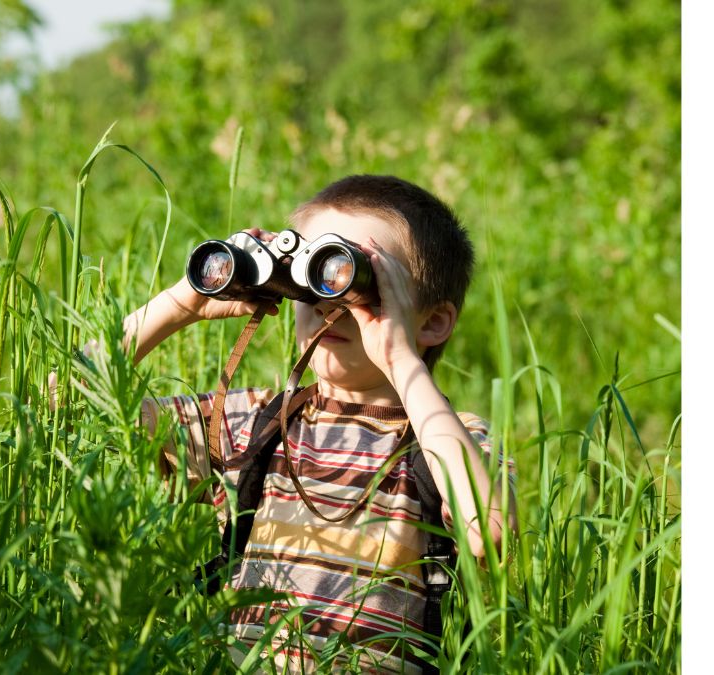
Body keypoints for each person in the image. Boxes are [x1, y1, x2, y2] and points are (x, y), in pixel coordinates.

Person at [124, 175, 517, 673]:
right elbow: (68, 398)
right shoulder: (252, 424)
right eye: (312, 275)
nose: (329, 302)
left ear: (433, 321)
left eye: (359, 279)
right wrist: (181, 304)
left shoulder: (448, 438)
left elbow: (492, 529)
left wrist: (401, 360)